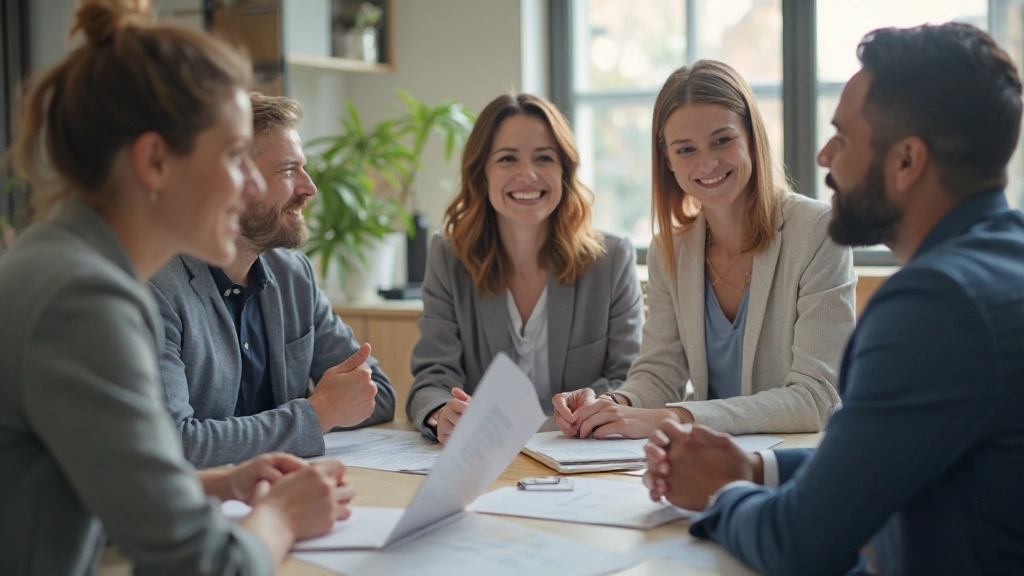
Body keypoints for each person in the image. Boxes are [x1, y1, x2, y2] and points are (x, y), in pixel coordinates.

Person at [644, 22, 1024, 576]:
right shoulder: (1002, 262)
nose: (823, 157)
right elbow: (878, 458)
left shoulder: (933, 305)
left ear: (906, 161)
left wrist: (722, 490)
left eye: (843, 138)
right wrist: (756, 470)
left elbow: (796, 544)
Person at [0, 2, 353, 574]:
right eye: (236, 155)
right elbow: (203, 563)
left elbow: (99, 484)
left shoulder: (67, 264)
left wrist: (224, 482)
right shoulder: (82, 300)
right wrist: (283, 518)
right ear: (156, 162)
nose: (248, 186)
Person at [554, 60, 856, 439]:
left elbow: (817, 399)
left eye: (722, 140)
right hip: (703, 465)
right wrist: (613, 406)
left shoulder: (816, 232)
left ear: (751, 136)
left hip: (794, 465)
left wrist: (676, 418)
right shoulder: (670, 251)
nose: (707, 163)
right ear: (668, 160)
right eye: (685, 149)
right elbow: (660, 374)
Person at [149, 93, 395, 468]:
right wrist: (318, 414)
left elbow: (376, 394)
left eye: (304, 168)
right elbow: (176, 444)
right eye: (287, 171)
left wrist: (332, 405)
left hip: (293, 493)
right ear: (231, 180)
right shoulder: (158, 287)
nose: (309, 188)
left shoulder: (292, 273)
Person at [406, 93, 644, 444]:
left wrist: (600, 405)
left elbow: (631, 379)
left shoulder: (611, 260)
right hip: (483, 458)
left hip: (582, 453)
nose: (527, 175)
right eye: (507, 159)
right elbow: (432, 379)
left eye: (544, 158)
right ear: (482, 173)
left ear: (564, 170)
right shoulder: (448, 258)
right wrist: (440, 413)